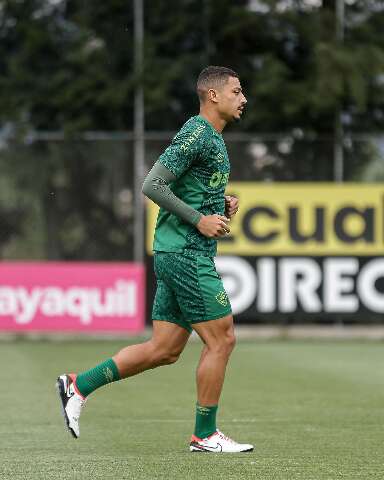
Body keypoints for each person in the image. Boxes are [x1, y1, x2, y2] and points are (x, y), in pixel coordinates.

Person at [56, 65, 252, 453]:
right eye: (236, 91)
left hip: (175, 251)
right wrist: (199, 219)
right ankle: (205, 435)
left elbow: (187, 190)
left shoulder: (212, 137)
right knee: (223, 338)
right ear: (212, 95)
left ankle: (78, 385)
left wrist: (219, 207)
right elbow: (152, 184)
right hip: (185, 254)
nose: (243, 98)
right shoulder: (196, 133)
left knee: (164, 349)